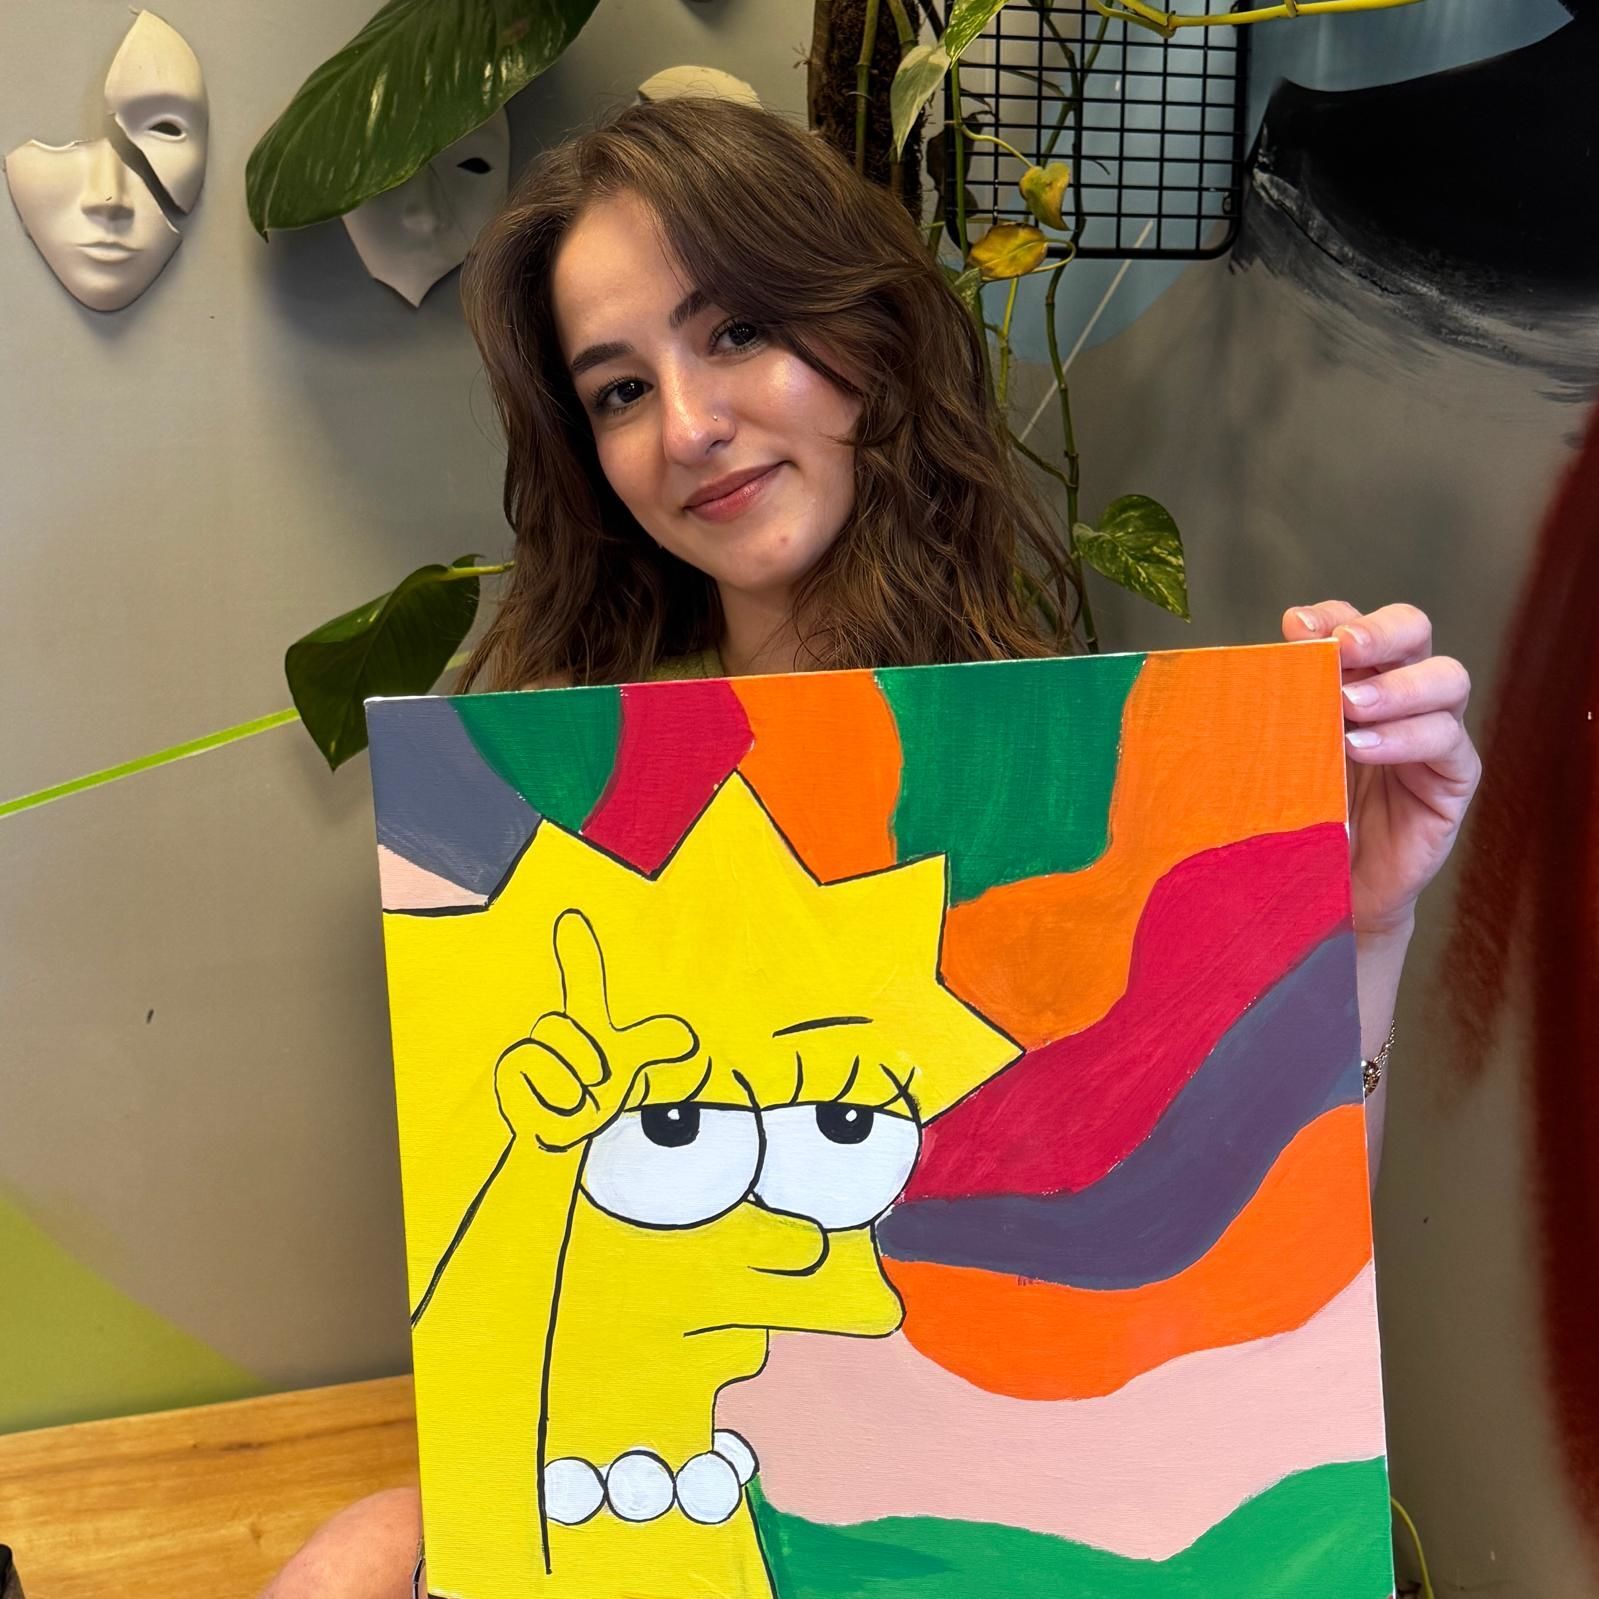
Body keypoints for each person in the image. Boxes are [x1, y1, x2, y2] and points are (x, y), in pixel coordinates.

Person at [262, 94, 1480, 1599]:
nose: (688, 427)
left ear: (867, 336)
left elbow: (1257, 1251)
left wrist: (1362, 919)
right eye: (620, 389)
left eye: (734, 332)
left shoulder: (1063, 783)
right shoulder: (572, 806)